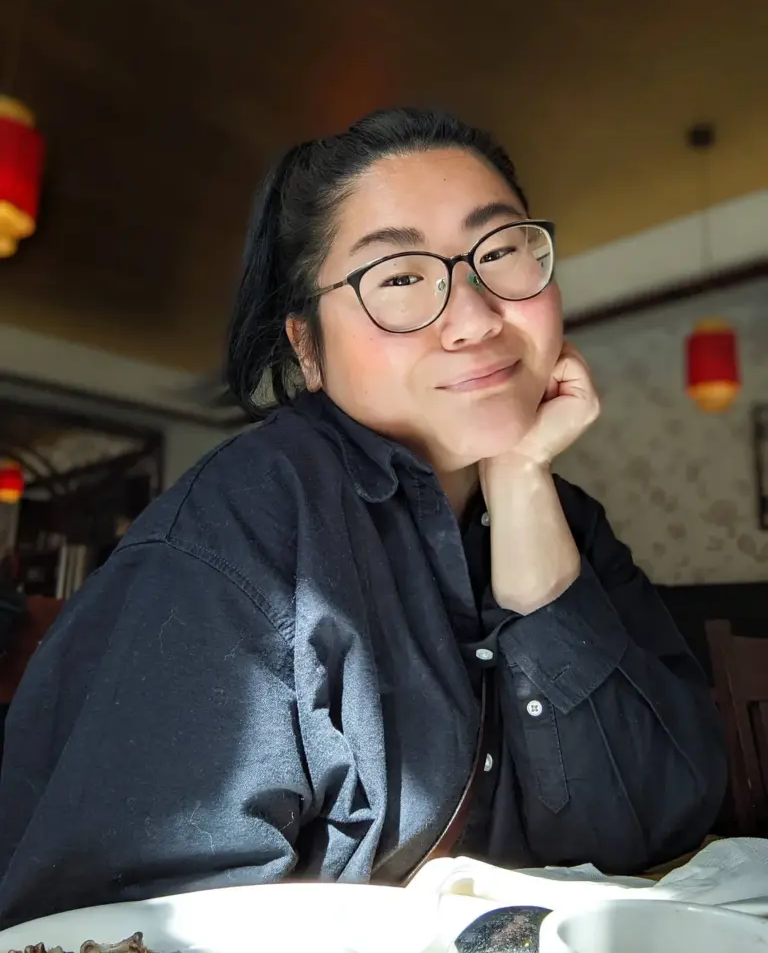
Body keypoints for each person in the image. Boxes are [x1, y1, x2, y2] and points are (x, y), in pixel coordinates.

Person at [0, 108, 726, 926]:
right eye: (401, 278)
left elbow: (655, 822)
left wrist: (528, 509)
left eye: (500, 253)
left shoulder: (568, 521)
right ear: (307, 349)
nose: (477, 317)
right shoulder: (234, 541)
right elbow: (139, 927)